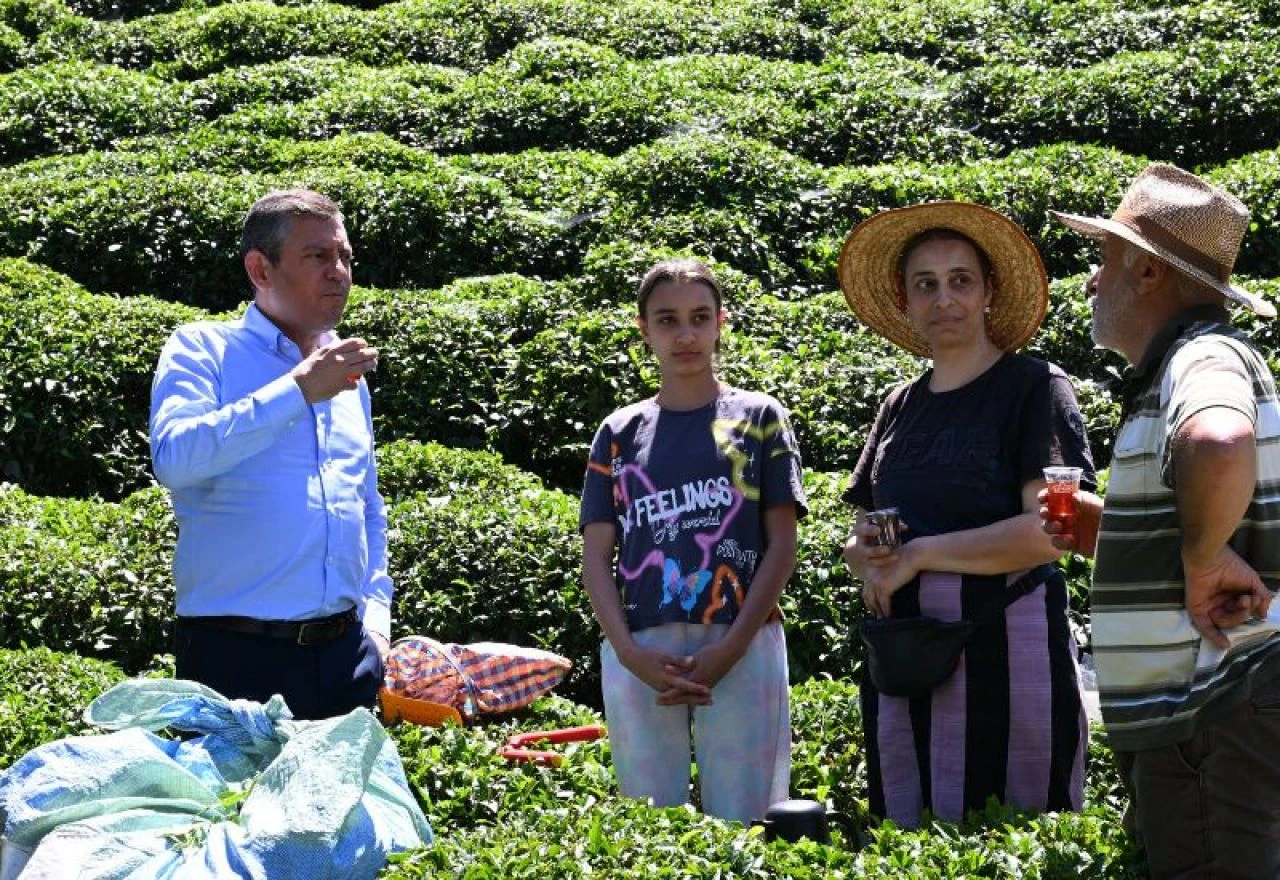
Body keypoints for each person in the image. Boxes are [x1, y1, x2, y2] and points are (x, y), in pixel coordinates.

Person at [1047, 163, 1280, 878]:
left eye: (1104, 257)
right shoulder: (1185, 365)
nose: (1091, 279)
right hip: (1204, 720)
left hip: (1211, 712)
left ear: (1146, 273)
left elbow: (1219, 440)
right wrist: (1115, 534)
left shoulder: (1202, 357)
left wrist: (1204, 560)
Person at [839, 202, 1095, 827]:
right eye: (926, 284)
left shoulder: (1035, 388)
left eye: (960, 280)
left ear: (988, 293)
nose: (943, 298)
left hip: (1006, 648)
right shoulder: (898, 405)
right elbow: (861, 535)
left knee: (1013, 828)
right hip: (909, 659)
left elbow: (1048, 533)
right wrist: (866, 556)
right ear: (905, 300)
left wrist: (921, 554)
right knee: (912, 830)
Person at [579, 258, 807, 824]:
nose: (685, 335)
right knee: (651, 823)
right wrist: (630, 654)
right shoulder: (618, 432)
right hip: (642, 648)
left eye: (700, 318)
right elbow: (596, 558)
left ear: (720, 322)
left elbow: (782, 546)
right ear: (644, 329)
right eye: (668, 320)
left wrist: (729, 651)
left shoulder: (760, 418)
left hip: (743, 638)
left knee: (750, 821)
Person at [150, 188, 391, 721]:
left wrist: (376, 620)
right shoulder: (202, 349)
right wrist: (298, 390)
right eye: (318, 257)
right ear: (260, 269)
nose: (339, 272)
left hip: (347, 658)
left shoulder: (348, 372)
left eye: (345, 257)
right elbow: (174, 457)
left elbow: (366, 505)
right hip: (237, 658)